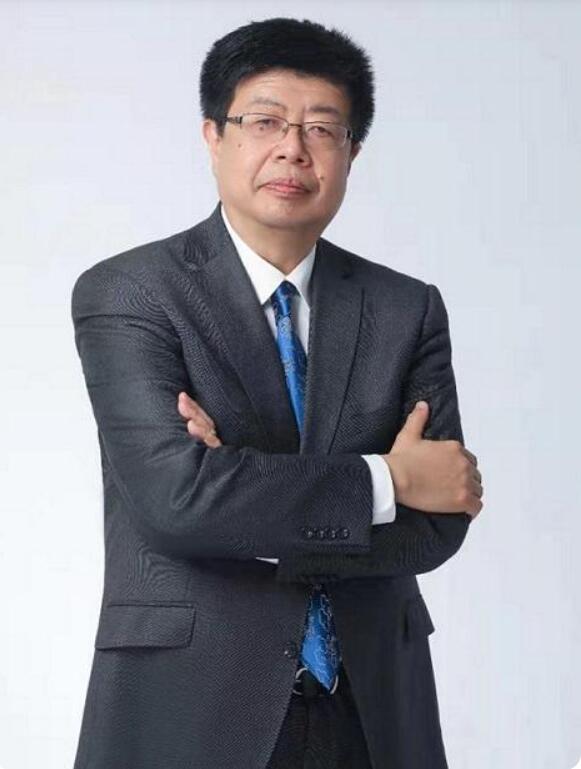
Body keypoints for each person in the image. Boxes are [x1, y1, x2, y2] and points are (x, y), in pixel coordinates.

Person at [70, 17, 483, 769]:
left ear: (352, 152)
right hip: (190, 705)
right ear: (213, 136)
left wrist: (239, 496)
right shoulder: (130, 294)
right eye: (264, 122)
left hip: (373, 708)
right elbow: (175, 503)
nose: (293, 148)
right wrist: (386, 482)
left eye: (322, 129)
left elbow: (439, 521)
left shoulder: (406, 307)